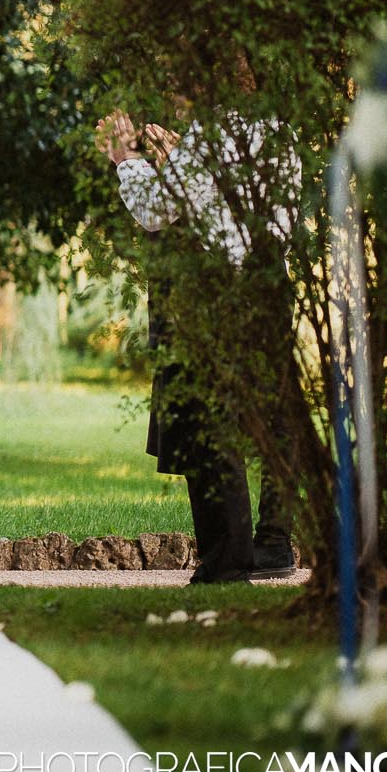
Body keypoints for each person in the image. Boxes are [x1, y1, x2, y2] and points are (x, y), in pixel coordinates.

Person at [99, 104, 299, 583]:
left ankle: (229, 559)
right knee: (275, 416)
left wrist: (128, 159)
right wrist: (177, 167)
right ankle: (274, 541)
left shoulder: (212, 133)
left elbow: (157, 211)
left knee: (210, 421)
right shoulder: (280, 131)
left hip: (212, 290)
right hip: (268, 282)